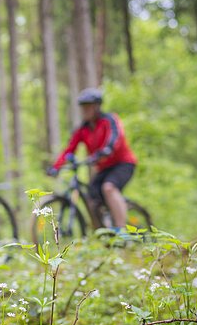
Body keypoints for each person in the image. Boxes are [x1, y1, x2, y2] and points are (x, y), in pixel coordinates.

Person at [47, 88, 136, 232]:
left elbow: (115, 138)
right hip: (103, 168)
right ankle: (104, 231)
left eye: (88, 106)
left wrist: (106, 150)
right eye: (83, 107)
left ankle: (122, 231)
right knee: (92, 197)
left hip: (123, 163)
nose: (85, 110)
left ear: (96, 107)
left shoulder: (109, 120)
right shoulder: (83, 129)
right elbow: (69, 149)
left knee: (108, 188)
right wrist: (56, 167)